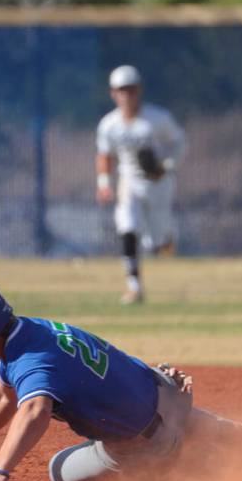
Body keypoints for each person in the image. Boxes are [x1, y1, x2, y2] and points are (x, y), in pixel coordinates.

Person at [0, 281, 242, 481]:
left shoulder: (31, 360)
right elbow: (3, 398)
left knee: (58, 470)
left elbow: (35, 410)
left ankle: (195, 461)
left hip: (146, 442)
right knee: (143, 412)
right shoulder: (30, 330)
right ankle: (213, 428)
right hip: (165, 390)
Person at [96, 64, 186, 305]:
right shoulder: (109, 125)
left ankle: (164, 239)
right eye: (121, 90)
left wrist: (166, 165)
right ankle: (134, 286)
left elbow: (178, 142)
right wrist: (104, 183)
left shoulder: (157, 118)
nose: (127, 95)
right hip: (129, 180)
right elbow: (104, 155)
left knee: (156, 243)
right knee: (128, 227)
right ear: (113, 93)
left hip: (158, 182)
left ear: (139, 91)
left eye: (131, 89)